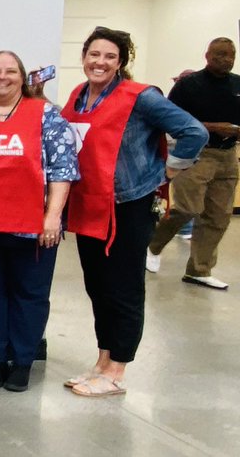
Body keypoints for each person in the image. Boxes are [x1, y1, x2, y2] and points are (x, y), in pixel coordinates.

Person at [61, 27, 207, 397]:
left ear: (121, 62)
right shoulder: (80, 96)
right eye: (94, 54)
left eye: (110, 56)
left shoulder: (141, 97)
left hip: (128, 207)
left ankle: (117, 372)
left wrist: (168, 171)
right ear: (83, 57)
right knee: (98, 287)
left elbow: (193, 132)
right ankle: (102, 360)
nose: (100, 62)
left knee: (123, 288)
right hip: (90, 204)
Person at [0, 51, 79, 392]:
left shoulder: (45, 114)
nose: (2, 77)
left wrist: (53, 217)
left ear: (22, 77)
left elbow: (62, 169)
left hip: (32, 226)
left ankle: (23, 361)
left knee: (30, 294)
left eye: (10, 71)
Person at [147, 38, 239, 291]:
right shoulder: (189, 85)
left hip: (228, 156)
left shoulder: (237, 84)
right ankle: (153, 245)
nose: (226, 60)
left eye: (231, 55)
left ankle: (199, 270)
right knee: (187, 208)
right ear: (207, 55)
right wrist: (212, 127)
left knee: (219, 216)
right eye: (220, 55)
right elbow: (170, 120)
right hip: (196, 153)